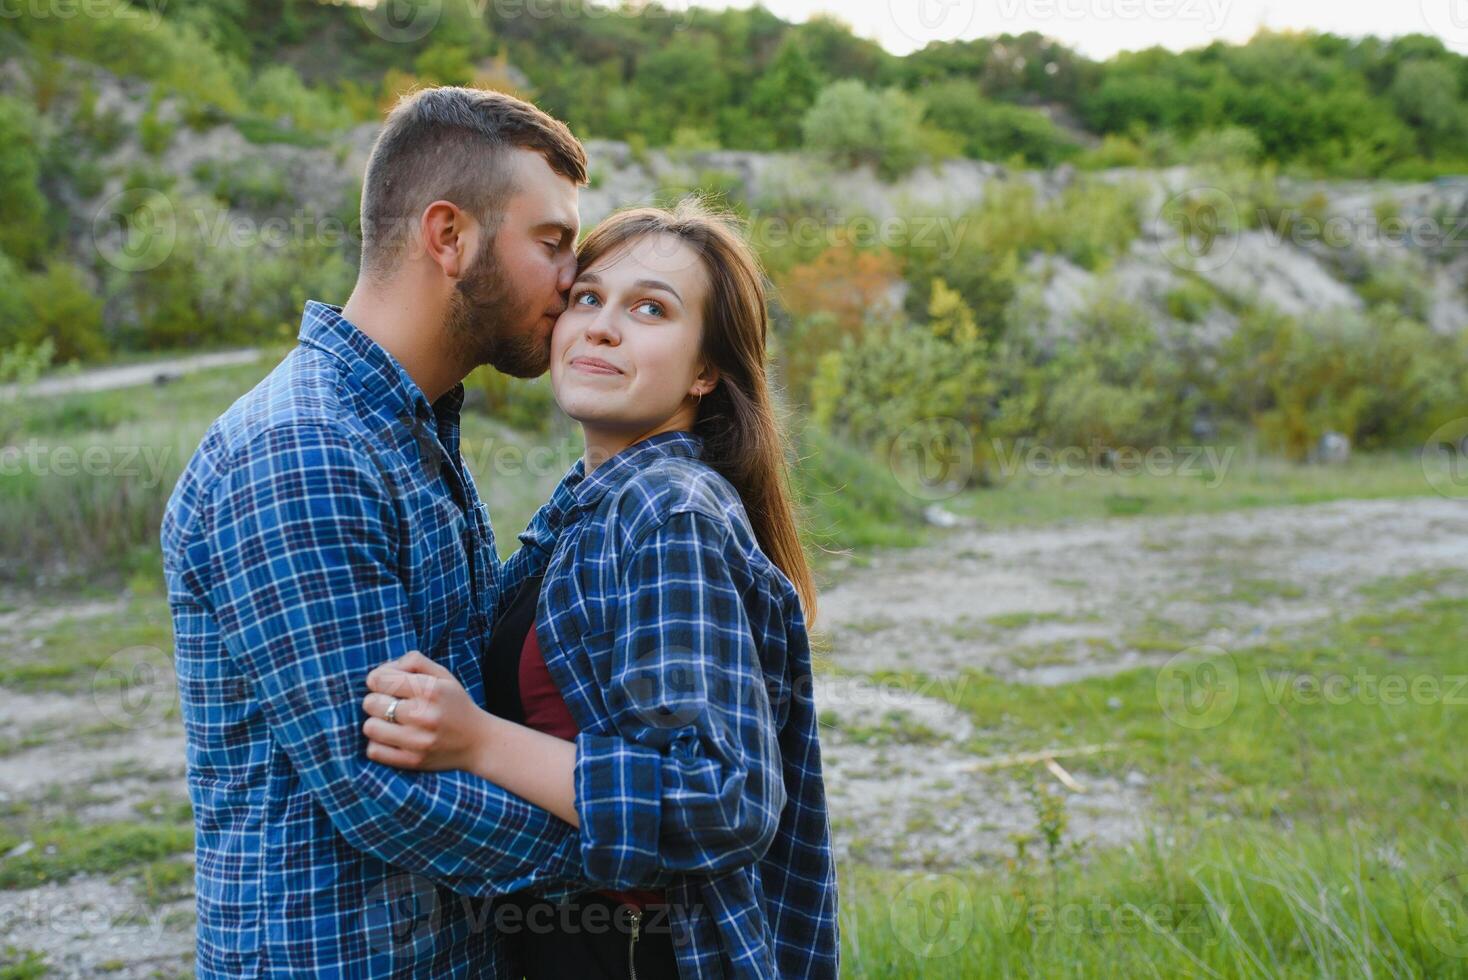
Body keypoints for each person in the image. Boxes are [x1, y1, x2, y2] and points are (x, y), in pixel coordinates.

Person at [161, 86, 595, 976]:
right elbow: (383, 794)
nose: (573, 280)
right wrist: (637, 849)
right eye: (551, 243)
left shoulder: (408, 427)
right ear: (449, 236)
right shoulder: (304, 449)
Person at [360, 201, 840, 978]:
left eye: (650, 309)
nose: (602, 326)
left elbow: (727, 800)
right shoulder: (591, 503)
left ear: (704, 371)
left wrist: (479, 741)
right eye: (587, 297)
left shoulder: (670, 513)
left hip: (642, 953)